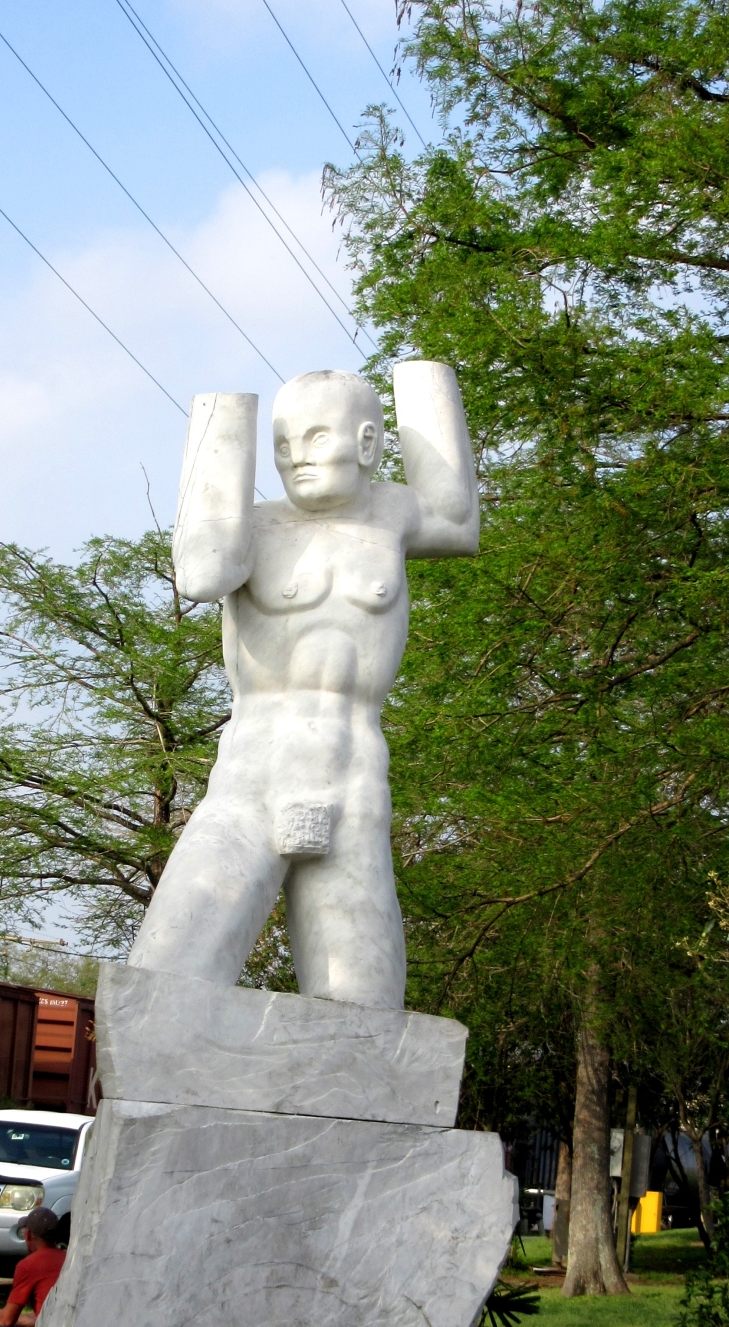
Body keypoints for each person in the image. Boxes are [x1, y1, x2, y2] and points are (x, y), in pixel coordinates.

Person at [127, 362, 479, 1011]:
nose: (297, 457)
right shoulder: (254, 527)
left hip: (353, 782)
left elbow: (458, 519)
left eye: (318, 438)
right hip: (252, 779)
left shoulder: (393, 515)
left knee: (365, 1011)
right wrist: (227, 416)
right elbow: (202, 572)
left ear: (368, 444)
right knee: (162, 984)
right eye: (284, 443)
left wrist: (421, 376)